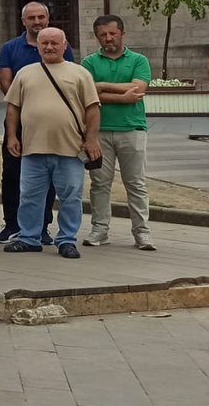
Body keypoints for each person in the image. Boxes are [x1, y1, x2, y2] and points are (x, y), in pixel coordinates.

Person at [4, 27, 101, 259]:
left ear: (64, 45)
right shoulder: (25, 73)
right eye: (44, 43)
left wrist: (92, 139)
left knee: (70, 196)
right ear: (37, 45)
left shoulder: (79, 73)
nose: (49, 47)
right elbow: (13, 107)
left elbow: (93, 108)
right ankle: (29, 237)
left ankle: (67, 240)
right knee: (29, 196)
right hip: (33, 147)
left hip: (70, 148)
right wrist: (11, 136)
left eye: (54, 43)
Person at [0, 1, 73, 244]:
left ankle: (42, 227)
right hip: (19, 121)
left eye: (41, 17)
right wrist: (25, 108)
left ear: (48, 19)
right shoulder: (10, 48)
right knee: (11, 174)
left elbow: (66, 77)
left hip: (48, 128)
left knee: (47, 176)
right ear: (24, 21)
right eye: (32, 18)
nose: (37, 22)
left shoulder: (61, 46)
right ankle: (12, 224)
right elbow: (8, 85)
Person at [80, 15, 155, 250]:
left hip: (132, 129)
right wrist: (121, 96)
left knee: (136, 183)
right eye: (103, 34)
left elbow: (138, 88)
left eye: (112, 33)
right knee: (99, 183)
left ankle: (142, 232)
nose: (108, 38)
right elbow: (87, 94)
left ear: (122, 33)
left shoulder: (138, 60)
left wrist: (100, 87)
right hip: (99, 131)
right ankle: (100, 230)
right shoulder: (89, 62)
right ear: (97, 36)